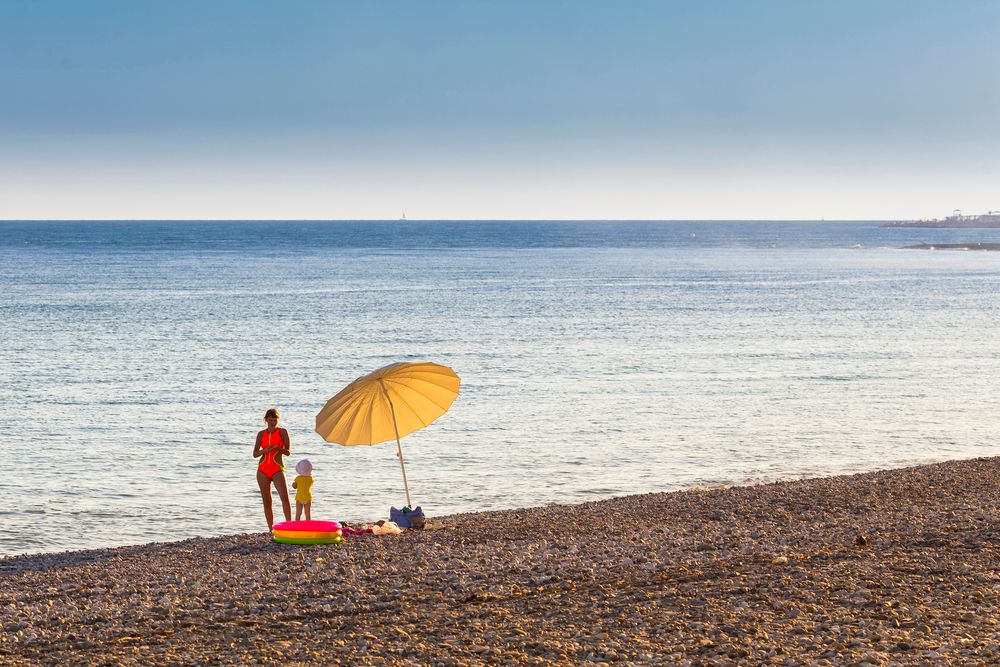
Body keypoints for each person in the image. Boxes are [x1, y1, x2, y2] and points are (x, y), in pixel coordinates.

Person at [253, 407, 291, 530]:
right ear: (266, 420)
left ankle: (289, 526)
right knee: (267, 501)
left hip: (277, 468)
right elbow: (255, 454)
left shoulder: (282, 432)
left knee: (284, 497)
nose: (273, 423)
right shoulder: (261, 434)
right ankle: (270, 529)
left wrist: (277, 448)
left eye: (275, 420)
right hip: (262, 469)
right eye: (270, 420)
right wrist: (265, 450)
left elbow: (288, 452)